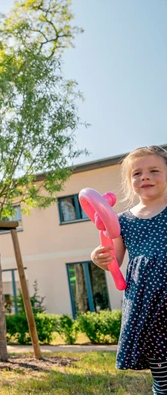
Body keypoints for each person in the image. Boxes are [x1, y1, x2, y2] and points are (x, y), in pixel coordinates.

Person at [91, 145, 167, 395]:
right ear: (129, 181)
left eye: (154, 170)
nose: (145, 176)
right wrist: (98, 257)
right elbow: (114, 257)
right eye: (137, 173)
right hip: (148, 304)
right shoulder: (122, 220)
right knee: (162, 373)